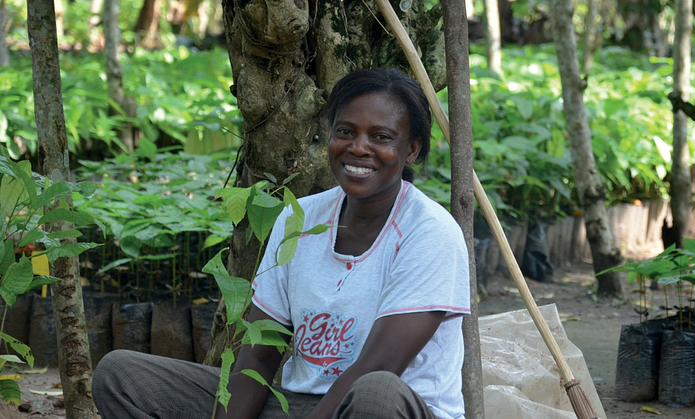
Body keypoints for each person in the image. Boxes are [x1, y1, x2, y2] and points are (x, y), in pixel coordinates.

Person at [92, 67, 471, 419]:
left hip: (384, 409)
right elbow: (258, 357)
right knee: (123, 375)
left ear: (412, 151)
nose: (358, 147)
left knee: (375, 393)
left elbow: (377, 366)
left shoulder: (430, 232)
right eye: (345, 131)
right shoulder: (300, 217)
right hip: (304, 407)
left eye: (381, 137)